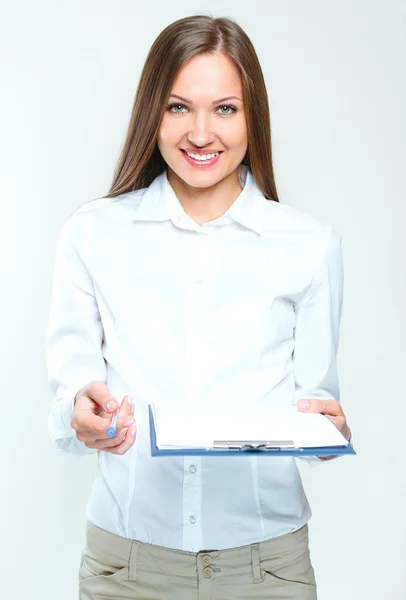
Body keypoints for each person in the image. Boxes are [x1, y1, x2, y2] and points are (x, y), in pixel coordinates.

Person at [45, 14, 353, 600]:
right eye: (179, 107)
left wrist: (327, 429)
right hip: (127, 570)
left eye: (225, 109)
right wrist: (79, 417)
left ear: (252, 115)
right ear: (152, 114)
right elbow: (69, 405)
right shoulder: (91, 234)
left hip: (267, 569)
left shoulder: (310, 245)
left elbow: (317, 412)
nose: (201, 132)